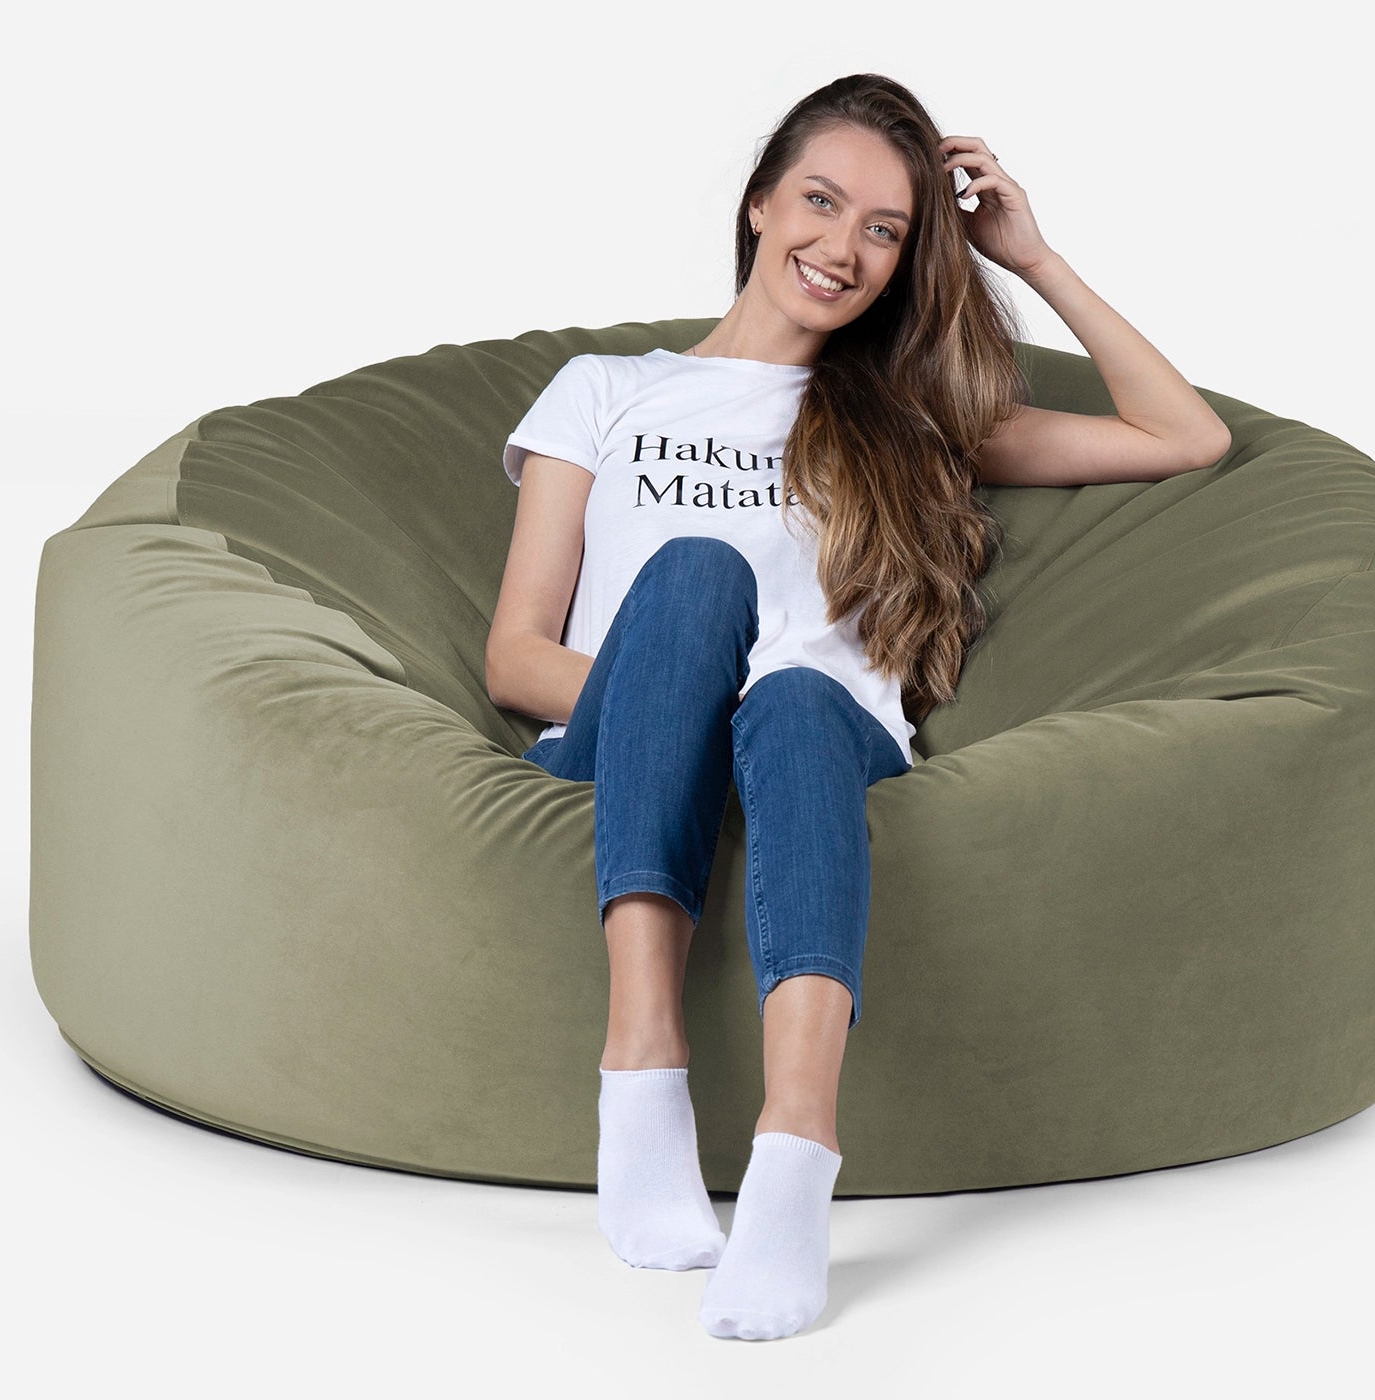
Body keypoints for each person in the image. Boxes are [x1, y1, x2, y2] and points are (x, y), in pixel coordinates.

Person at [485, 73, 1231, 1342]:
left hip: (815, 739)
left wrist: (1031, 255)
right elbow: (515, 656)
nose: (840, 247)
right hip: (629, 729)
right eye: (820, 203)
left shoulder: (910, 416)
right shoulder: (606, 390)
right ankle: (642, 1058)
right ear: (759, 205)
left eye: (882, 229)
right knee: (695, 576)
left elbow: (1184, 435)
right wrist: (681, 701)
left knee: (790, 688)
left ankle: (793, 1148)